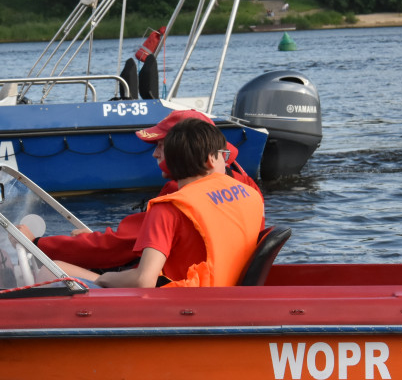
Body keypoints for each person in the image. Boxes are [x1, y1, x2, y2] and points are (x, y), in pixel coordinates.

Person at [27, 109, 262, 271]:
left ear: (181, 148)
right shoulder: (247, 188)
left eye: (161, 145)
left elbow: (122, 246)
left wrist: (37, 244)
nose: (155, 154)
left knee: (52, 273)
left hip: (176, 296)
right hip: (220, 284)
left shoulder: (181, 196)